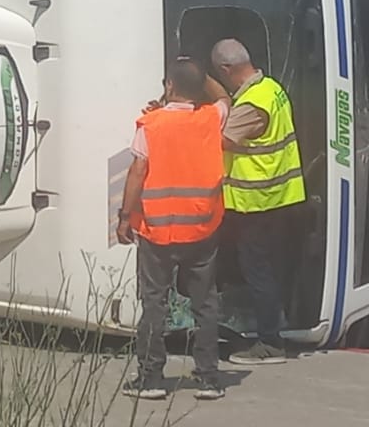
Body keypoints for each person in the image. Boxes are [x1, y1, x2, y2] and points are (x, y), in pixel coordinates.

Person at [117, 56, 227, 402]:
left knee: (154, 302)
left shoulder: (151, 124)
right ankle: (209, 379)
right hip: (201, 228)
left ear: (169, 86)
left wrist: (124, 216)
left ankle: (150, 379)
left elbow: (137, 172)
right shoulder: (212, 118)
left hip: (157, 230)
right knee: (205, 304)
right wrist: (199, 76)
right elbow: (223, 95)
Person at [211, 37, 306, 363]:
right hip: (277, 197)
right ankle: (271, 333)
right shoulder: (271, 87)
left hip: (259, 202)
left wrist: (216, 97)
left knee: (258, 272)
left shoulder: (252, 104)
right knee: (265, 269)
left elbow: (220, 140)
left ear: (226, 69)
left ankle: (269, 343)